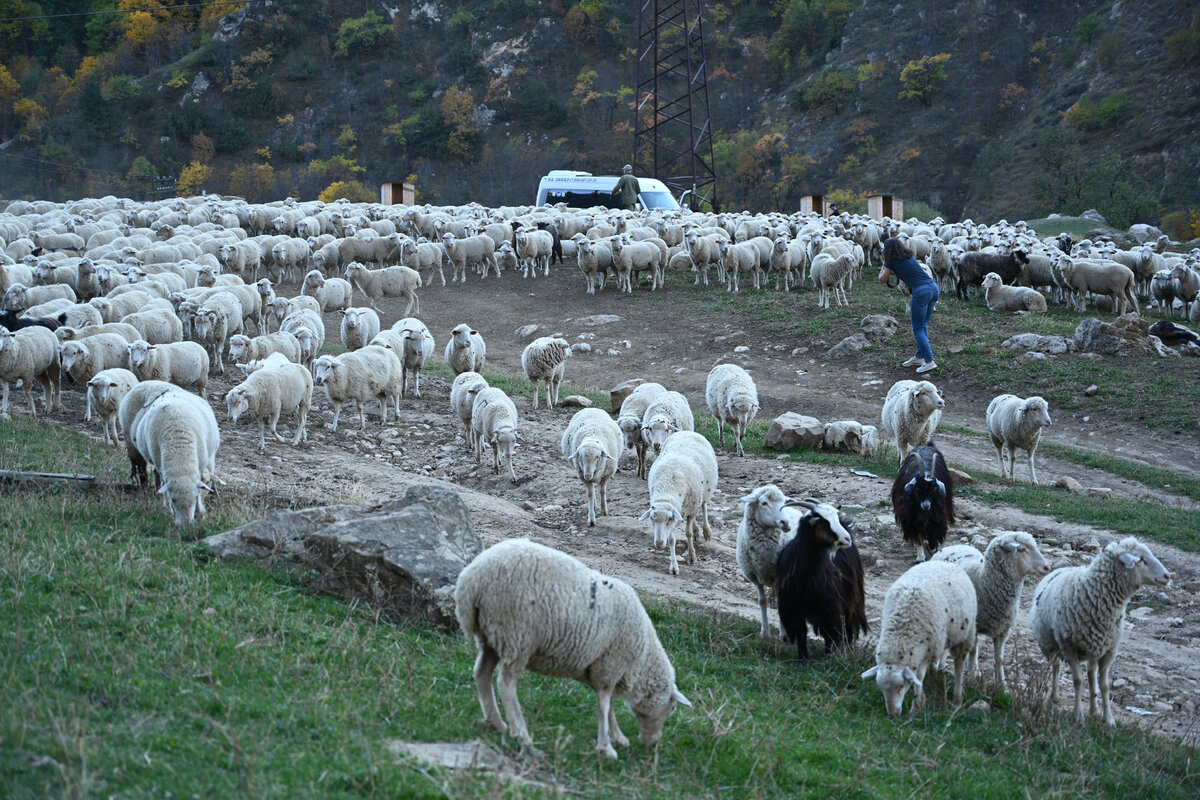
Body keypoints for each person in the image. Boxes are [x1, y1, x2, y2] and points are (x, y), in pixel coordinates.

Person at [878, 237, 939, 373]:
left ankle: (929, 361)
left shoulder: (891, 261)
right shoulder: (909, 255)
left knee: (917, 328)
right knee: (923, 325)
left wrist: (884, 263)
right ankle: (919, 356)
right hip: (933, 288)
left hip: (921, 292)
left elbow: (882, 279)